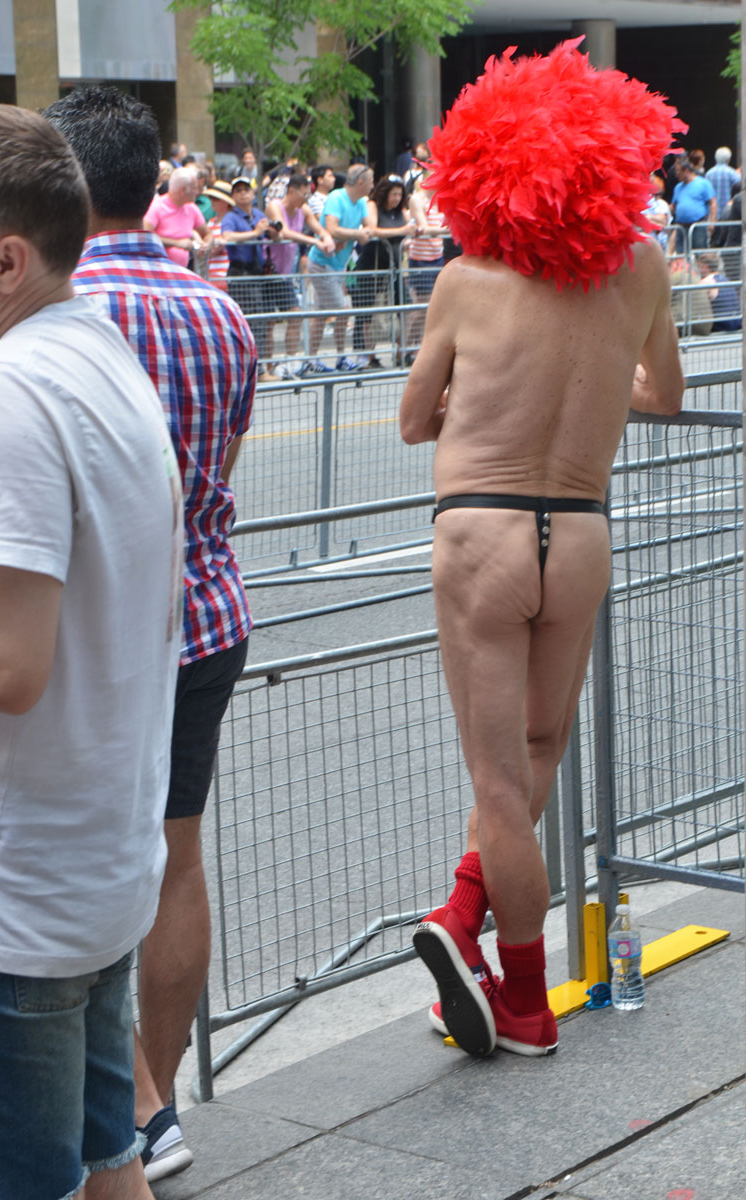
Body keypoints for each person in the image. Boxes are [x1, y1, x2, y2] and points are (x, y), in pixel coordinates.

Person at [400, 39, 684, 1060]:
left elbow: (412, 419)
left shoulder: (467, 280)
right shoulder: (642, 270)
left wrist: (480, 406)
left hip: (483, 526)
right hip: (582, 528)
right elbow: (666, 394)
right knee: (536, 757)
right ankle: (463, 915)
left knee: (496, 781)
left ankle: (523, 1002)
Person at [44, 85, 257, 1182]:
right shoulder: (221, 312)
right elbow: (218, 475)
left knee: (67, 864)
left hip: (92, 635)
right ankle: (155, 1102)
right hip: (208, 614)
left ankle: (122, 1110)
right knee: (176, 858)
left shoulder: (56, 315)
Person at [0, 104, 183, 1200]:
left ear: (7, 258)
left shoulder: (10, 389)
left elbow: (9, 667)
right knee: (113, 1158)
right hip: (98, 866)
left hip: (20, 896)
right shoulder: (98, 348)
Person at [305, 162, 375, 373]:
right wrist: (356, 234)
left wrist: (355, 235)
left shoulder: (361, 202)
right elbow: (332, 229)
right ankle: (340, 357)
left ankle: (312, 359)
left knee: (321, 314)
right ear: (361, 182)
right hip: (322, 263)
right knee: (343, 310)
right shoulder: (336, 197)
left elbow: (370, 227)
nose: (373, 185)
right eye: (371, 181)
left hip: (338, 265)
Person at [265, 172, 335, 377]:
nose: (306, 199)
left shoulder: (303, 209)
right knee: (269, 322)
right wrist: (314, 241)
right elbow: (284, 232)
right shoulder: (274, 206)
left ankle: (291, 360)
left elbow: (318, 227)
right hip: (268, 271)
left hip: (286, 273)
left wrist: (325, 237)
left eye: (308, 195)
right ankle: (267, 367)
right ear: (291, 191)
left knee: (295, 314)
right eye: (303, 194)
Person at [353, 174, 416, 368]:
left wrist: (410, 235)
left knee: (408, 308)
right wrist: (402, 231)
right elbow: (373, 229)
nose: (396, 198)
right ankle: (368, 356)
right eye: (393, 194)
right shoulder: (373, 206)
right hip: (372, 266)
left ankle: (401, 352)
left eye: (399, 194)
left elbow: (411, 228)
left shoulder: (401, 212)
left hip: (394, 268)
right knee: (367, 312)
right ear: (384, 193)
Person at [222, 173, 278, 380]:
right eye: (238, 191)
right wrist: (254, 233)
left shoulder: (258, 214)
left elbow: (271, 234)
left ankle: (258, 369)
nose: (243, 194)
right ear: (233, 196)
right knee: (248, 322)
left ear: (253, 193)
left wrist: (273, 232)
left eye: (246, 190)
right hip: (241, 273)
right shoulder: (230, 217)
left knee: (260, 322)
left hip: (258, 273)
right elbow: (227, 236)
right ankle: (253, 371)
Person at [405, 157, 450, 362]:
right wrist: (447, 230)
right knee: (422, 306)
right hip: (421, 259)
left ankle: (417, 347)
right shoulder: (418, 199)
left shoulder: (441, 199)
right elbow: (424, 228)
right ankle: (406, 347)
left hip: (436, 256)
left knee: (432, 307)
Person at [144, 166, 212, 268]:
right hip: (158, 270)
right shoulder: (157, 206)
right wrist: (176, 243)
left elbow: (207, 233)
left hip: (181, 271)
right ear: (183, 190)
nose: (197, 192)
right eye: (194, 188)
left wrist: (206, 244)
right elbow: (144, 236)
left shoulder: (191, 207)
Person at [670, 154, 716, 252]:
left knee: (700, 254)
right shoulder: (678, 187)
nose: (676, 175)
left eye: (678, 172)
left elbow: (713, 203)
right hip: (681, 226)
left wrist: (712, 221)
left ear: (686, 171)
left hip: (698, 226)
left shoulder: (703, 183)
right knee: (681, 254)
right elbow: (674, 205)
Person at [705, 146, 741, 219]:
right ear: (728, 159)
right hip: (728, 213)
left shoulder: (708, 173)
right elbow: (739, 189)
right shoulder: (732, 173)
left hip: (712, 215)